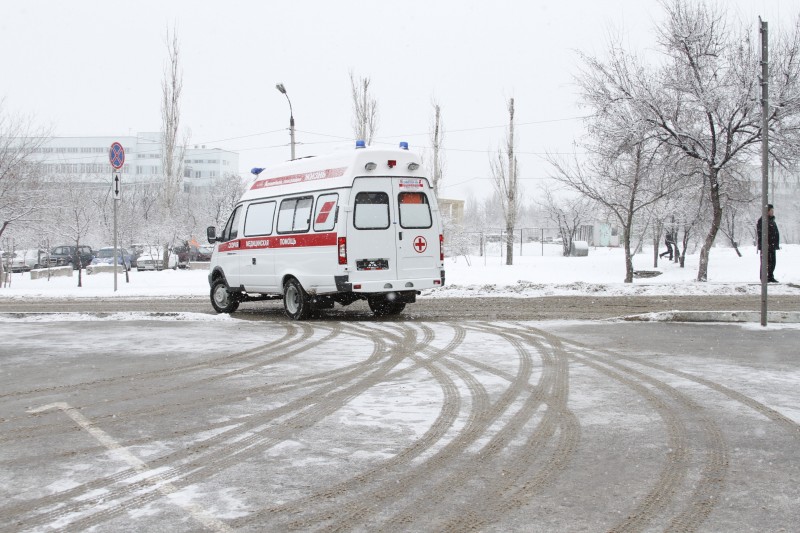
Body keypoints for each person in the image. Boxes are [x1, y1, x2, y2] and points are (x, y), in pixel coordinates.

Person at [756, 204, 780, 283]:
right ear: (767, 211)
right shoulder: (762, 221)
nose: (773, 212)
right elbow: (761, 234)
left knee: (772, 262)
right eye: (771, 210)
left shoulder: (771, 220)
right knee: (765, 262)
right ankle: (763, 277)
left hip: (772, 246)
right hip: (766, 246)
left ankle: (770, 276)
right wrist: (765, 244)